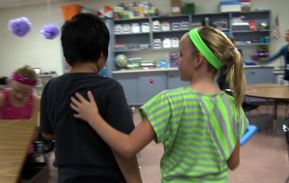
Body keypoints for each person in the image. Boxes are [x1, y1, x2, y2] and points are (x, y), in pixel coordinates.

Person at [70, 26, 249, 182]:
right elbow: (233, 163)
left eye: (180, 54)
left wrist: (93, 117)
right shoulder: (233, 106)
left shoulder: (170, 101)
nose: (177, 60)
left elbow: (128, 147)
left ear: (198, 60)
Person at [39, 13, 141, 183]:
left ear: (67, 55)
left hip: (68, 177)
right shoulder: (110, 88)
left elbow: (47, 134)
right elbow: (126, 144)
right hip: (107, 176)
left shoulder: (51, 87)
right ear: (102, 54)